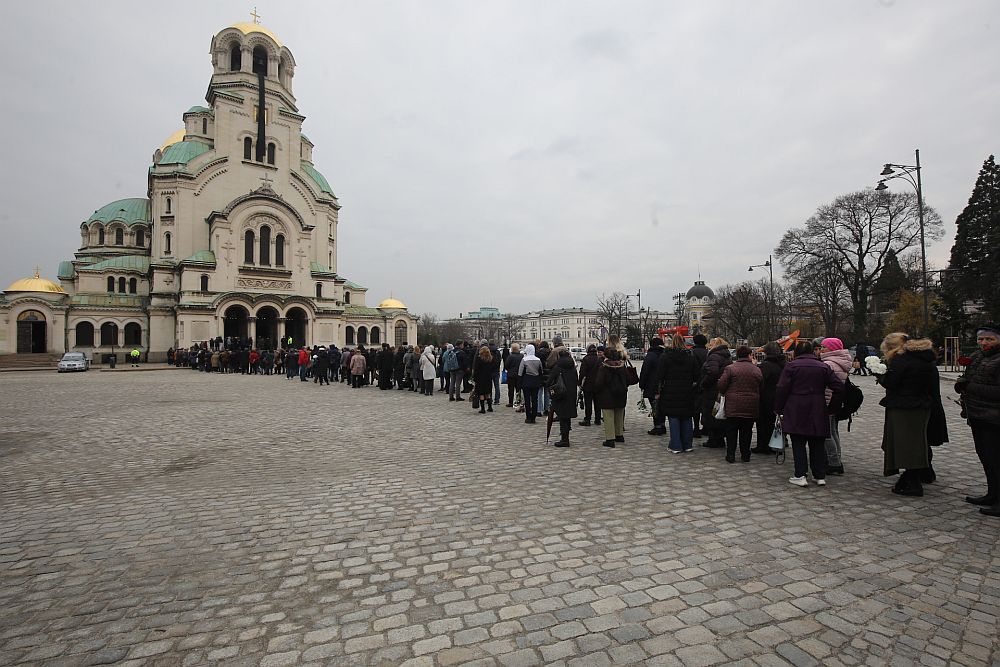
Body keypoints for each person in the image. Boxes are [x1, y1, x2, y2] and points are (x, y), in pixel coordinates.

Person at [877, 333, 943, 497]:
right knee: (919, 442)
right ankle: (923, 472)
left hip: (905, 406)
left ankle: (912, 481)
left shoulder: (903, 360)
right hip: (923, 405)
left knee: (906, 445)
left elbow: (893, 383)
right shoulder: (925, 359)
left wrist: (880, 375)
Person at [775, 340, 844, 487]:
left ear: (796, 352)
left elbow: (781, 389)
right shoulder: (823, 367)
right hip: (818, 407)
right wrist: (832, 407)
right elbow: (839, 387)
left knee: (798, 443)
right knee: (817, 443)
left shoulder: (791, 366)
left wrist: (778, 409)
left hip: (796, 407)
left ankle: (800, 475)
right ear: (813, 351)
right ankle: (819, 475)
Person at [955, 324, 1000, 517]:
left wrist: (971, 387)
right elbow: (969, 378)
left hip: (994, 416)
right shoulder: (978, 356)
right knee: (985, 456)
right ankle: (992, 493)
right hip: (977, 413)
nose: (984, 342)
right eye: (981, 339)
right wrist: (961, 385)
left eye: (989, 339)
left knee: (996, 457)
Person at [655, 334, 700, 453]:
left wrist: (658, 390)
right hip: (687, 390)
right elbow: (697, 375)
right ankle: (687, 444)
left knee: (673, 416)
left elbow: (660, 375)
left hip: (670, 391)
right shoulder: (690, 356)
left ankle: (675, 445)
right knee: (686, 416)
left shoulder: (665, 357)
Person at [717, 345, 763, 463]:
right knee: (746, 432)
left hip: (733, 405)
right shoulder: (756, 370)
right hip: (750, 406)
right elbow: (761, 385)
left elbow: (721, 385)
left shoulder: (730, 368)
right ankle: (745, 454)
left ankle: (731, 454)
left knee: (731, 431)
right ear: (749, 355)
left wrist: (724, 392)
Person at [699, 337, 732, 448]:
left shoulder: (714, 356)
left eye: (710, 344)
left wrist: (704, 383)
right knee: (719, 413)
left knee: (711, 414)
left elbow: (712, 372)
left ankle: (713, 440)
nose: (708, 346)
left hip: (712, 389)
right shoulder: (726, 355)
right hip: (722, 388)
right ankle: (720, 438)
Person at [754, 342, 786, 454]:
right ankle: (776, 444)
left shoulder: (765, 365)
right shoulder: (784, 364)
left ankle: (763, 446)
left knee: (763, 423)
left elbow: (759, 381)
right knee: (776, 422)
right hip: (780, 397)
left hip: (765, 398)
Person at [594, 347, 629, 448]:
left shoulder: (604, 367)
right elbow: (628, 379)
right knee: (619, 414)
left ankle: (610, 439)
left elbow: (599, 382)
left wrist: (597, 390)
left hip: (607, 395)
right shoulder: (622, 366)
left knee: (608, 417)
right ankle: (619, 435)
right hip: (621, 394)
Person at [546, 347, 579, 447]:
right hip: (571, 393)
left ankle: (564, 439)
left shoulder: (558, 367)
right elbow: (576, 380)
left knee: (562, 416)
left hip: (560, 394)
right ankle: (566, 435)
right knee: (567, 416)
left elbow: (550, 380)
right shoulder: (572, 367)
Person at [641, 338, 667, 435]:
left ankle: (658, 426)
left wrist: (642, 384)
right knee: (661, 406)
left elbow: (645, 371)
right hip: (663, 385)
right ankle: (662, 425)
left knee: (655, 406)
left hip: (651, 384)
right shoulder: (665, 354)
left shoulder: (650, 355)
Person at [577, 344, 602, 426]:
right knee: (597, 403)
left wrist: (580, 383)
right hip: (598, 384)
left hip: (588, 384)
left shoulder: (586, 359)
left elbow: (582, 373)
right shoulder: (599, 359)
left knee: (588, 403)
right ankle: (597, 419)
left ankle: (587, 419)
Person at [690, 334, 709, 437]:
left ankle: (696, 428)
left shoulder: (692, 352)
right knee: (705, 407)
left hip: (695, 383)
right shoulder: (708, 353)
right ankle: (705, 427)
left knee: (695, 408)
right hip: (706, 382)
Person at [518, 344, 542, 423]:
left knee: (527, 399)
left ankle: (528, 416)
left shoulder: (524, 359)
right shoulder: (538, 360)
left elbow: (520, 373)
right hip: (535, 381)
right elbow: (541, 371)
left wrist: (519, 383)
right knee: (535, 399)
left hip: (526, 381)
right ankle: (534, 417)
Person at [472, 345, 495, 412]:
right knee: (488, 393)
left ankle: (482, 409)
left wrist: (474, 378)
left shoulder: (479, 359)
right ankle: (490, 407)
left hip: (480, 378)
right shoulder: (490, 359)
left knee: (481, 393)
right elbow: (493, 368)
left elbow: (476, 370)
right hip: (488, 378)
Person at [505, 343, 524, 408]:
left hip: (511, 375)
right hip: (519, 374)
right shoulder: (521, 356)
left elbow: (506, 365)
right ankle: (518, 401)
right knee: (518, 389)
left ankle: (510, 402)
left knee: (510, 389)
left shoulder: (510, 356)